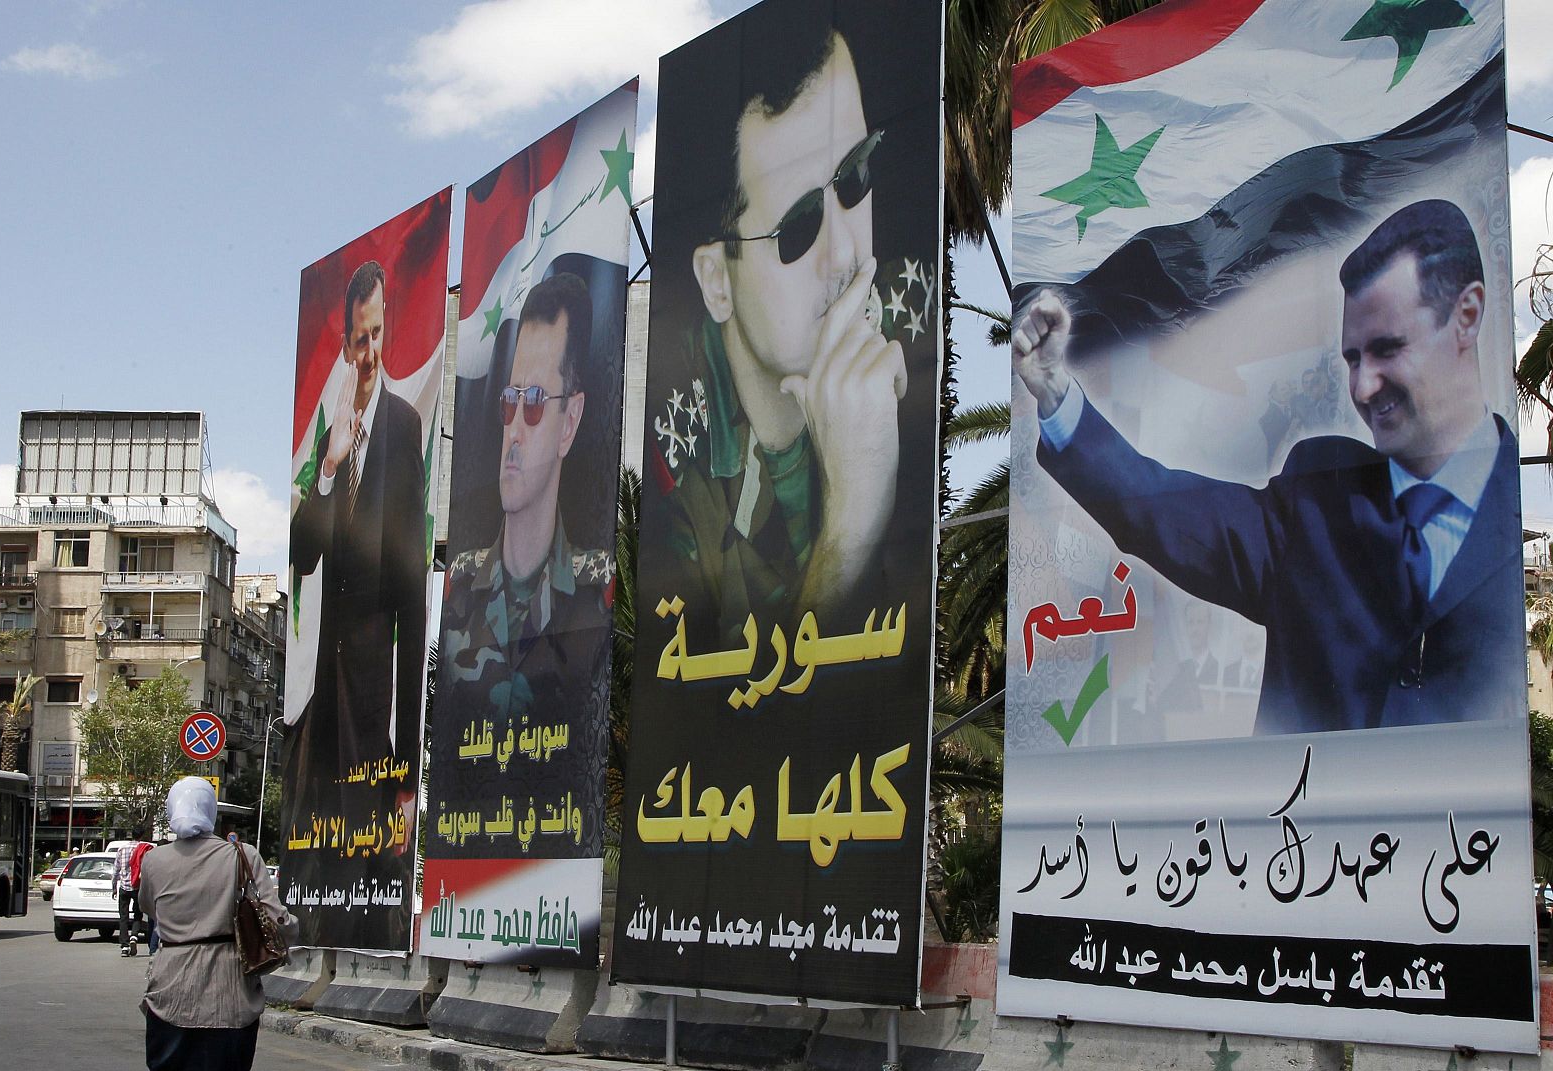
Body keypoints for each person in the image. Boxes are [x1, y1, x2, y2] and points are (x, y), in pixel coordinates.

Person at [1012, 198, 1522, 735]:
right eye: (1353, 359)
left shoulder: (1521, 509)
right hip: (1299, 816)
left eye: (1388, 349)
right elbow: (1163, 509)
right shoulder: (1320, 498)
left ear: (1466, 316)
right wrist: (1055, 396)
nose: (1365, 388)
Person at [651, 17, 915, 641]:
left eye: (852, 180)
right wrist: (851, 525)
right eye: (797, 228)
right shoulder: (679, 487)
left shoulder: (914, 358)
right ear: (718, 282)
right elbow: (747, 722)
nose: (846, 252)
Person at [439, 272, 612, 731]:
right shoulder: (460, 589)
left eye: (534, 401)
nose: (514, 428)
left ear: (569, 421)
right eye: (509, 401)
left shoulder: (595, 593)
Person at [286, 260, 424, 824]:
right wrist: (328, 466)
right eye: (359, 339)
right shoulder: (332, 436)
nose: (369, 352)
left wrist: (410, 768)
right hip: (323, 705)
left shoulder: (404, 426)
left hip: (373, 722)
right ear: (345, 345)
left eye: (376, 335)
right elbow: (303, 555)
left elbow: (414, 608)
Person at [138, 777, 296, 1071]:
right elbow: (275, 920)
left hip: (170, 990)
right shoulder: (242, 856)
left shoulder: (154, 861)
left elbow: (150, 909)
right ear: (212, 811)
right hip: (231, 995)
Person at [114, 831, 154, 957]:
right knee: (138, 914)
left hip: (124, 887)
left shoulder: (122, 849)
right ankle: (134, 936)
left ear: (131, 834)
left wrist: (114, 886)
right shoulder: (144, 848)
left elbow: (116, 869)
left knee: (123, 917)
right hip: (138, 886)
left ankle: (124, 947)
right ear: (141, 835)